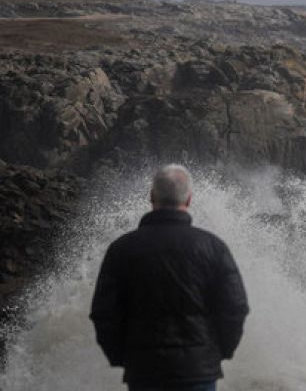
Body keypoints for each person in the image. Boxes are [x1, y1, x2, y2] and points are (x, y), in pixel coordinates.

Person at [90, 164, 249, 391]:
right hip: (197, 373)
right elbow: (235, 307)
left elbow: (104, 313)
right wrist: (217, 353)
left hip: (145, 372)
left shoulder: (122, 249)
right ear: (189, 199)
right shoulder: (213, 247)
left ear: (151, 196)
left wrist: (122, 357)